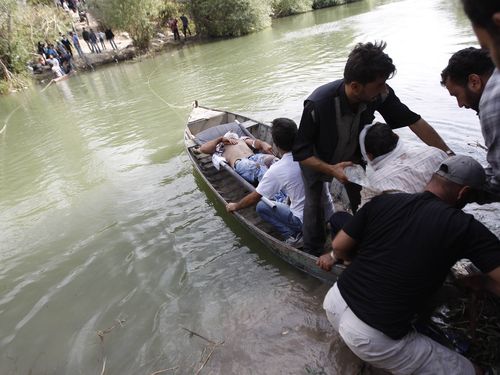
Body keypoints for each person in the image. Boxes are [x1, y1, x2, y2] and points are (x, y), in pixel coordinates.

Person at [317, 155, 500, 375]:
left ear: (433, 178)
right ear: (464, 193)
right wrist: (483, 282)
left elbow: (339, 246)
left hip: (336, 302)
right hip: (371, 335)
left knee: (437, 294)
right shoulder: (465, 227)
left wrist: (364, 265)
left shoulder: (383, 201)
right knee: (475, 372)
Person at [292, 41, 453, 256]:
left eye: (385, 83)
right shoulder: (318, 103)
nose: (384, 89)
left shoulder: (379, 94)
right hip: (317, 160)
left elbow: (413, 121)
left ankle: (362, 244)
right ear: (356, 86)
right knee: (314, 204)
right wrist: (331, 170)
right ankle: (312, 252)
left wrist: (450, 157)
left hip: (353, 159)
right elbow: (301, 153)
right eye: (379, 84)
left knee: (364, 201)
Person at [225, 118, 334, 247]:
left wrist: (235, 206)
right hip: (328, 214)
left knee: (261, 206)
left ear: (276, 144)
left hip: (306, 221)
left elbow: (255, 197)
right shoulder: (315, 152)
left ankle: (294, 236)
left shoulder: (278, 168)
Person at [329, 122, 447, 235]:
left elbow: (361, 223)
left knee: (337, 219)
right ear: (396, 137)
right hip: (442, 223)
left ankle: (345, 255)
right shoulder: (435, 152)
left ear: (369, 155)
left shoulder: (375, 183)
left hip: (401, 236)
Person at [441, 47, 500, 200]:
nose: (460, 104)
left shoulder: (492, 103)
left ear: (474, 81)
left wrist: (467, 193)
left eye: (456, 95)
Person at [199, 131, 277, 185]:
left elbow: (255, 143)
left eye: (232, 133)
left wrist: (263, 144)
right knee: (258, 169)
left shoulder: (242, 139)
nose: (231, 134)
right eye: (229, 135)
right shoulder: (220, 146)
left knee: (274, 160)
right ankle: (281, 199)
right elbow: (203, 149)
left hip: (254, 157)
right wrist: (220, 139)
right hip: (240, 162)